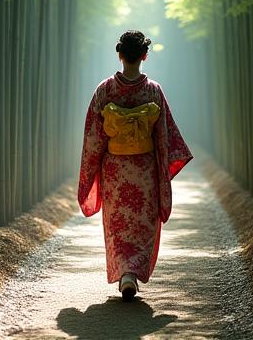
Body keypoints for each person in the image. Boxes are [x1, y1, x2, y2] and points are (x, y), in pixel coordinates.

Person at [77, 30, 193, 301]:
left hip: (116, 171)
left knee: (118, 223)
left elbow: (93, 137)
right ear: (144, 55)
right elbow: (165, 136)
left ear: (119, 54)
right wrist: (163, 167)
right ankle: (132, 273)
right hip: (144, 169)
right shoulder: (153, 91)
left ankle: (124, 274)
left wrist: (90, 171)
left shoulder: (104, 90)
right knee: (142, 223)